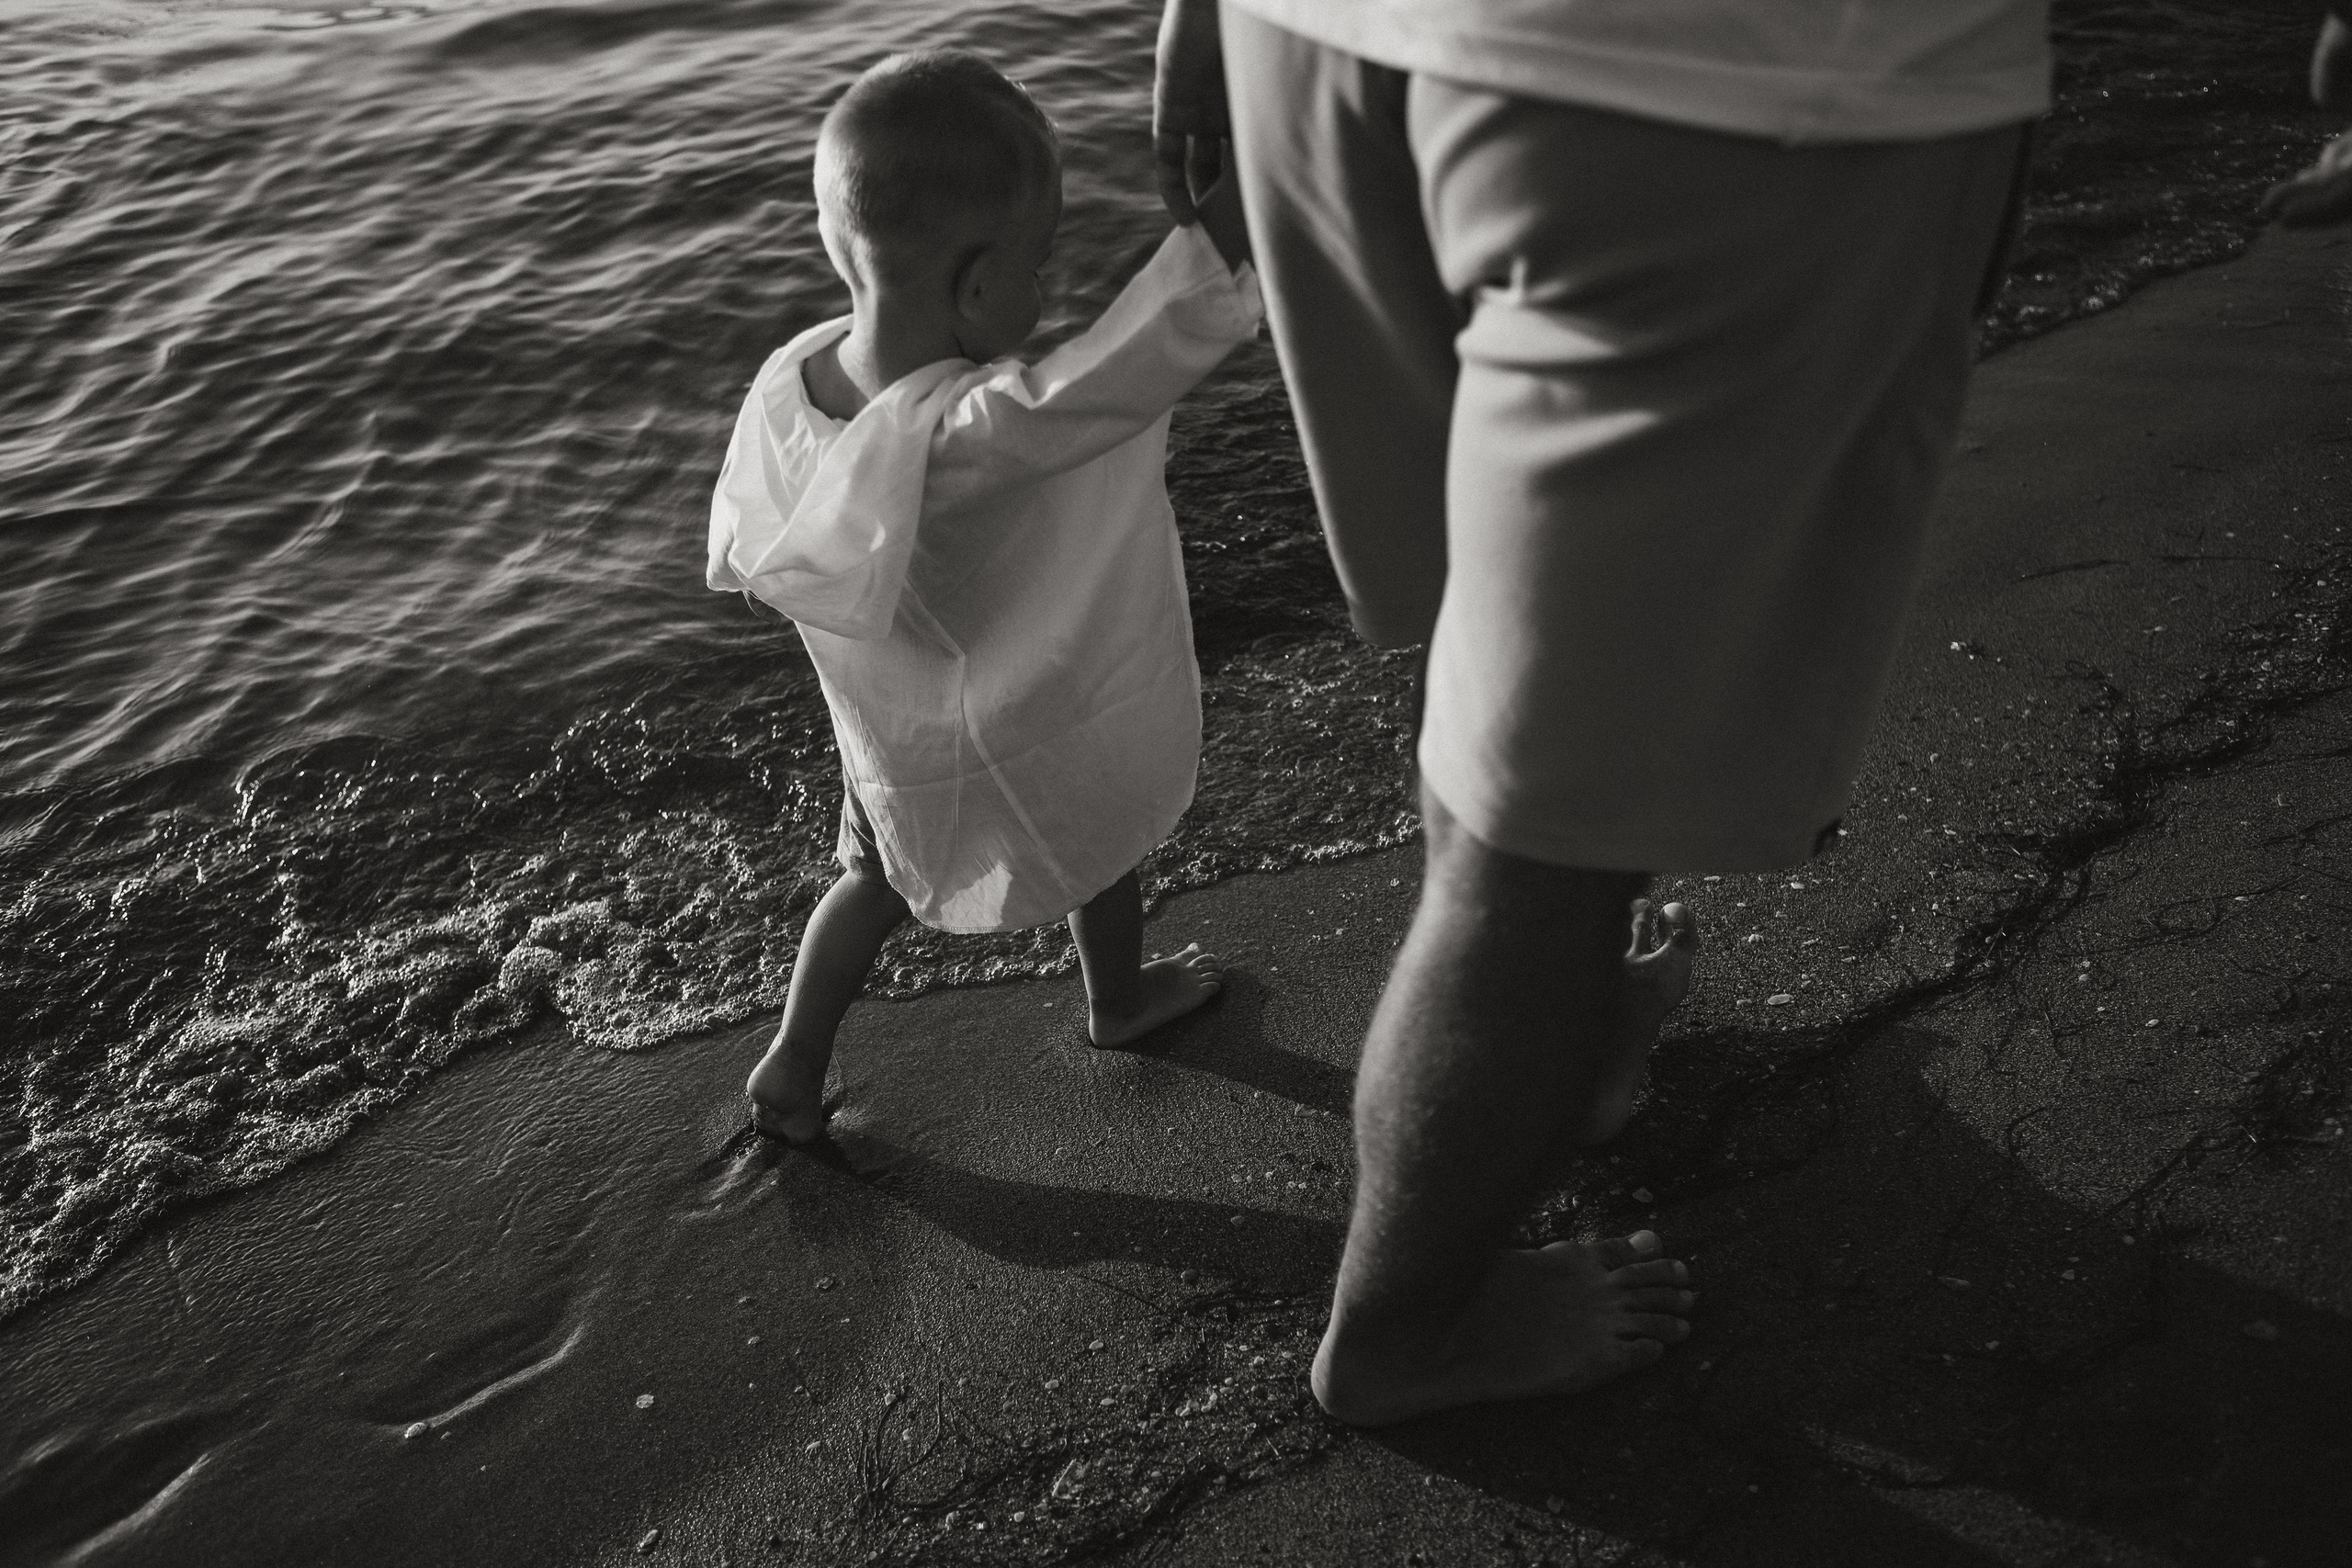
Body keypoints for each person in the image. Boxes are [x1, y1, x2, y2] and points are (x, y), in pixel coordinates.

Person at [1152, 0, 2061, 1426]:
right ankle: (1405, 1333)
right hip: (1712, 81)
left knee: (1507, 634)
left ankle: (1565, 1045)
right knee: (1557, 798)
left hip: (1322, 43)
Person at [707, 50, 1259, 1143]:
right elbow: (1119, 371)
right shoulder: (966, 432)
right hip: (1017, 718)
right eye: (1038, 264)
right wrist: (1232, 230)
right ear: (973, 286)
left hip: (893, 735)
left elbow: (747, 531)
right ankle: (1119, 998)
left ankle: (792, 1061)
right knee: (1095, 826)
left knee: (869, 883)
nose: (1049, 293)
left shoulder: (791, 381)